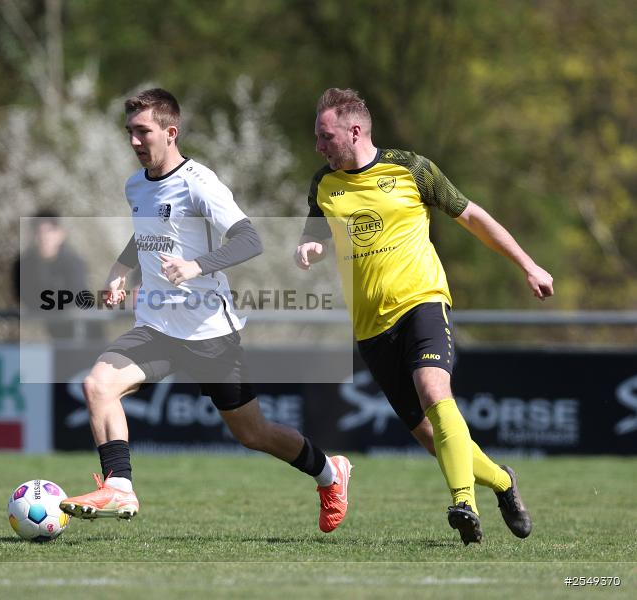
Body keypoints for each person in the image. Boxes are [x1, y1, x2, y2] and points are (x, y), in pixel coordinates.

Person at [60, 88, 353, 534]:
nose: (135, 142)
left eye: (143, 132)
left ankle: (330, 473)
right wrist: (120, 270)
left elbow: (250, 240)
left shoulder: (200, 183)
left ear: (170, 132)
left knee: (252, 433)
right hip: (156, 327)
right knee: (98, 384)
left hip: (209, 331)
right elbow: (148, 233)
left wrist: (196, 265)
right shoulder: (135, 185)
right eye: (130, 133)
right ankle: (120, 485)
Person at [295, 88, 552, 545]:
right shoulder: (323, 183)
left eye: (324, 136)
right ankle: (504, 483)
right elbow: (313, 232)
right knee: (433, 437)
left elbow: (472, 216)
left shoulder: (413, 168)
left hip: (422, 301)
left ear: (354, 131)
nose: (318, 145)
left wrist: (528, 264)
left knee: (435, 390)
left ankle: (464, 503)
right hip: (372, 329)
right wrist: (310, 245)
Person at [13, 209, 98, 339]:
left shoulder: (74, 262)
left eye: (49, 231)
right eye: (38, 232)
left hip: (84, 333)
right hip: (48, 333)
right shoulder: (23, 265)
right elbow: (23, 296)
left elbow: (74, 295)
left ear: (61, 234)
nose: (44, 237)